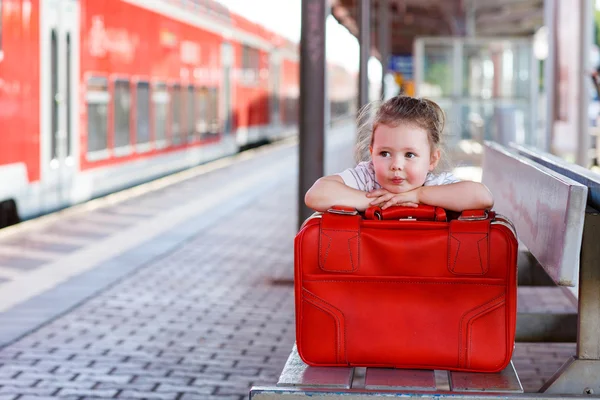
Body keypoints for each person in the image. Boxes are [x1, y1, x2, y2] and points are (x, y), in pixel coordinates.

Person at [304, 95, 494, 212]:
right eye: (385, 153)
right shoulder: (367, 178)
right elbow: (316, 194)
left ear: (432, 159)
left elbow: (483, 197)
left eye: (409, 155)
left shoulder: (434, 184)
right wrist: (379, 202)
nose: (396, 165)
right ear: (372, 153)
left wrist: (418, 195)